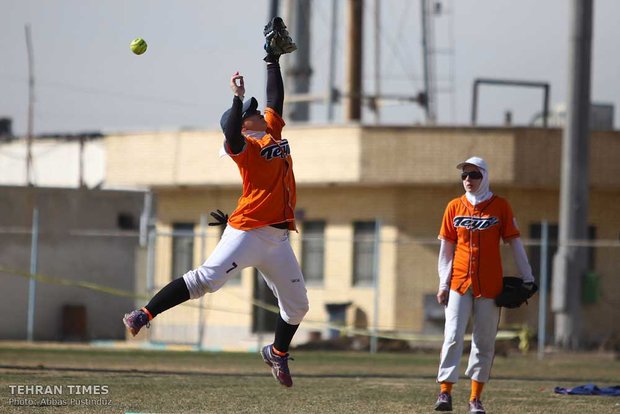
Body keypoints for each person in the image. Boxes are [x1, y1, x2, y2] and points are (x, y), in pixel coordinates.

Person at [122, 21, 308, 388]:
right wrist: (237, 98)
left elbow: (276, 100)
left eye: (253, 110)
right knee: (205, 280)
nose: (258, 111)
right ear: (242, 124)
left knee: (298, 305)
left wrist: (271, 60)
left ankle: (277, 353)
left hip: (278, 239)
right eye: (250, 112)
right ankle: (144, 314)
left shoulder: (269, 130)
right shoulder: (243, 148)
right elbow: (229, 132)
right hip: (248, 233)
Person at [433, 156, 536, 413]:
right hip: (459, 282)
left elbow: (515, 244)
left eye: (474, 175)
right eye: (464, 175)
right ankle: (445, 393)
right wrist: (443, 284)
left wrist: (528, 277)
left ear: (485, 176)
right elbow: (446, 250)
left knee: (484, 340)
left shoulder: (499, 206)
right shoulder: (454, 207)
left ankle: (475, 398)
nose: (468, 180)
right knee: (453, 335)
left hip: (490, 285)